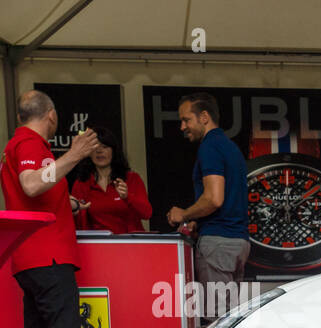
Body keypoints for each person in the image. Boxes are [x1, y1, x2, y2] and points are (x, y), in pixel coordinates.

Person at [1, 90, 99, 328]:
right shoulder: (29, 142)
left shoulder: (17, 144)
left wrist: (65, 201)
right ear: (52, 116)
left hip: (30, 259)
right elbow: (30, 183)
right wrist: (72, 155)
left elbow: (33, 188)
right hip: (48, 258)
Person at [165, 92, 249, 316]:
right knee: (230, 319)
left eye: (186, 120)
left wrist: (183, 214)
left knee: (217, 320)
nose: (182, 126)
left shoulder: (210, 146)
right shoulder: (230, 148)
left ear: (204, 116)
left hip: (218, 244)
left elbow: (214, 198)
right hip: (237, 242)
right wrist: (197, 219)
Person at [70, 126, 152, 234]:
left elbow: (147, 214)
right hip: (95, 246)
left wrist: (127, 197)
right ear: (88, 152)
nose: (99, 151)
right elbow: (76, 223)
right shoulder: (81, 184)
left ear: (114, 151)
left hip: (130, 245)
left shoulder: (132, 179)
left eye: (104, 147)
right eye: (95, 147)